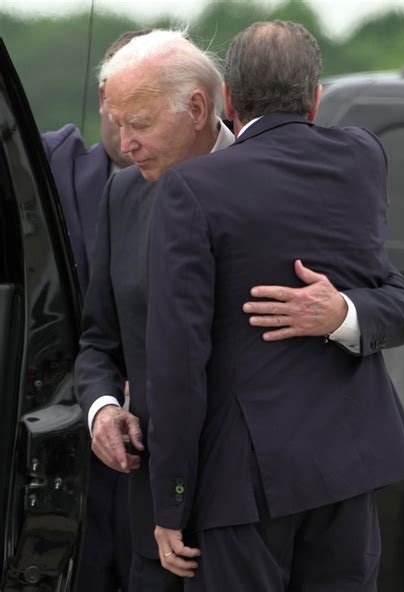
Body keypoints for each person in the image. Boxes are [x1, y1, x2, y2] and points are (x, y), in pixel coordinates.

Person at [75, 27, 404, 590]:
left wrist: (341, 313)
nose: (123, 142)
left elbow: (402, 299)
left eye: (138, 123)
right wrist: (99, 407)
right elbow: (101, 338)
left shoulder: (295, 177)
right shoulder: (122, 195)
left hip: (245, 499)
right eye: (116, 123)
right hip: (165, 512)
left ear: (204, 106)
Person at [42, 29, 151, 592]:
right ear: (102, 99)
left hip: (164, 448)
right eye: (117, 100)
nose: (127, 122)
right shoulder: (56, 170)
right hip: (71, 424)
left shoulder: (209, 183)